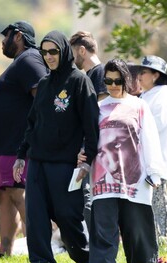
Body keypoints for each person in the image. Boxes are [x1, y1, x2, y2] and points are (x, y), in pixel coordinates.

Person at [13, 30, 99, 263]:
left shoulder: (79, 81)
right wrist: (21, 155)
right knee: (36, 216)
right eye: (45, 52)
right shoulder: (43, 83)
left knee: (67, 216)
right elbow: (32, 124)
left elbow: (91, 125)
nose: (49, 56)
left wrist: (87, 159)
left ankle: (87, 261)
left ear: (63, 51)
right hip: (38, 161)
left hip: (65, 164)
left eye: (53, 51)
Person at [78, 58, 163, 263]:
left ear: (125, 80)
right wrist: (82, 156)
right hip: (102, 179)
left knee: (136, 228)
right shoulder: (97, 108)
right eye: (108, 81)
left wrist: (154, 171)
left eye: (117, 81)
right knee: (104, 229)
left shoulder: (139, 106)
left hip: (135, 180)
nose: (113, 85)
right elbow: (88, 139)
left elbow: (150, 138)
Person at [0, 21, 48, 258]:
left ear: (18, 36)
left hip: (17, 144)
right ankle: (4, 252)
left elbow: (43, 94)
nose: (3, 42)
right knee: (5, 194)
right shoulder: (19, 64)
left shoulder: (29, 59)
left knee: (18, 193)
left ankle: (40, 250)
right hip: (3, 144)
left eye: (6, 36)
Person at [69, 31, 108, 232]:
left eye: (73, 52)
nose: (71, 57)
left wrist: (87, 147)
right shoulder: (89, 76)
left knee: (88, 197)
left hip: (96, 150)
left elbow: (101, 115)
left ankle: (95, 244)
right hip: (88, 148)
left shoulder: (100, 74)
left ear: (82, 50)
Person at [137, 55, 167, 237]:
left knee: (159, 202)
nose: (139, 76)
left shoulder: (165, 93)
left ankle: (165, 241)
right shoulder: (145, 94)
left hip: (156, 159)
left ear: (155, 75)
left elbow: (158, 122)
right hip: (141, 159)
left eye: (143, 72)